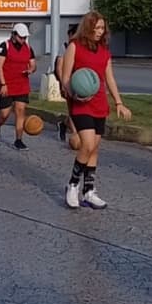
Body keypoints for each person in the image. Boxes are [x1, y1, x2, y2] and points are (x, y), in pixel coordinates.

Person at [59, 11, 131, 210]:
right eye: (96, 28)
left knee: (94, 148)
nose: (100, 32)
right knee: (87, 144)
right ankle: (73, 185)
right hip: (81, 103)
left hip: (99, 103)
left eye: (102, 28)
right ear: (88, 27)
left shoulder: (104, 51)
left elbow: (109, 78)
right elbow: (65, 77)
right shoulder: (74, 46)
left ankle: (89, 190)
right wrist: (74, 94)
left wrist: (119, 103)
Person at [0, 23, 36, 150]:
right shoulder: (4, 46)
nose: (23, 40)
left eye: (25, 37)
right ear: (14, 35)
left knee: (20, 111)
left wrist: (31, 70)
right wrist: (3, 84)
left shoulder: (28, 48)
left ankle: (18, 140)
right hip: (7, 85)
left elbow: (33, 64)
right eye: (21, 37)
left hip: (22, 85)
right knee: (4, 113)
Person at [54, 23, 80, 142]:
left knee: (78, 110)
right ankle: (75, 135)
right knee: (73, 110)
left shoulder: (81, 47)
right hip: (67, 82)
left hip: (79, 83)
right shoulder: (64, 47)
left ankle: (64, 124)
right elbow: (59, 67)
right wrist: (63, 84)